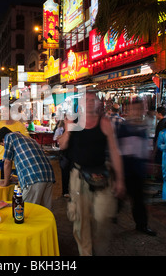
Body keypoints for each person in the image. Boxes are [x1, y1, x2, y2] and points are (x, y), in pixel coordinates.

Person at [58, 91, 125, 256]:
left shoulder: (105, 123)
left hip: (102, 175)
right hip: (78, 176)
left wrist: (120, 180)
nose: (89, 102)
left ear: (98, 103)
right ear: (80, 104)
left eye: (92, 100)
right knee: (81, 220)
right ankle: (85, 252)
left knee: (103, 217)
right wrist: (67, 128)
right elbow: (62, 145)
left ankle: (100, 250)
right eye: (85, 100)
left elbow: (115, 151)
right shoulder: (74, 122)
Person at [117, 99, 156, 236]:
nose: (136, 112)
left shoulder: (143, 128)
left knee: (139, 201)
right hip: (125, 170)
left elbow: (145, 149)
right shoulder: (123, 128)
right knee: (118, 198)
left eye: (139, 109)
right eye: (133, 109)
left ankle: (142, 225)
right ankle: (110, 217)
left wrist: (148, 164)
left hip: (139, 171)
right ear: (128, 111)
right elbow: (118, 150)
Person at [0, 127, 55, 210]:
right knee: (44, 212)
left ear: (2, 139)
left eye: (2, 145)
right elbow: (31, 161)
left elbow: (7, 162)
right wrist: (18, 179)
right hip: (48, 175)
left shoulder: (9, 137)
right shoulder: (28, 139)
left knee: (27, 211)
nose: (4, 147)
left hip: (34, 178)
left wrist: (6, 182)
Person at [53, 120, 70, 197]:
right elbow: (61, 145)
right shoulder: (61, 130)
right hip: (65, 154)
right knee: (65, 173)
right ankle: (65, 191)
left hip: (68, 154)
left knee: (67, 173)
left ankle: (67, 191)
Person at [152, 106, 166, 182]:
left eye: (156, 113)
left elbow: (159, 138)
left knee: (160, 168)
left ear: (159, 114)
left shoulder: (161, 124)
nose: (155, 115)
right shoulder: (165, 122)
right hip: (163, 150)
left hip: (160, 150)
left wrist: (155, 150)